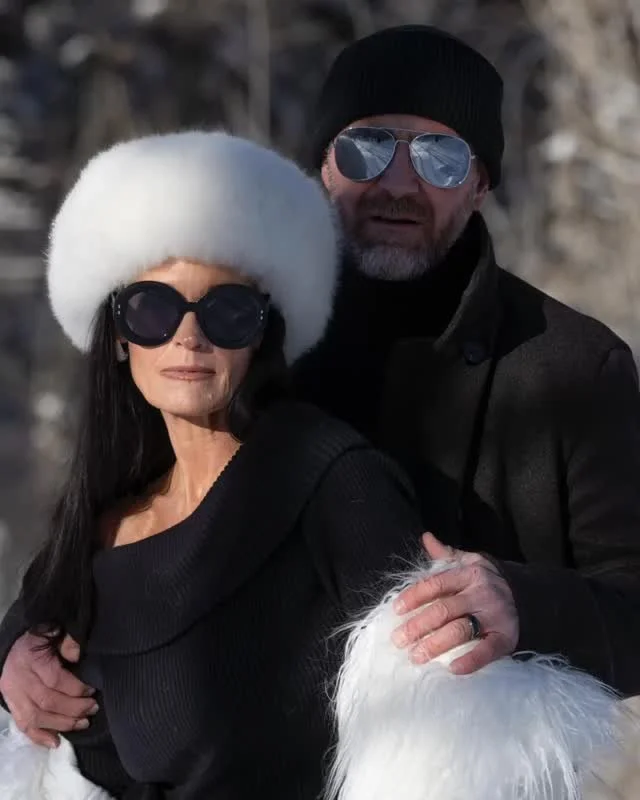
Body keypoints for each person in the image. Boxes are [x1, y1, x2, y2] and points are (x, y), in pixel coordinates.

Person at [2, 22, 640, 742]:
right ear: (324, 165)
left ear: (481, 184)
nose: (397, 184)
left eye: (439, 157)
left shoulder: (572, 365)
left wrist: (525, 604)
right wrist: (21, 642)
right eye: (367, 148)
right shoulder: (238, 324)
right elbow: (119, 497)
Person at [0, 130, 434, 797]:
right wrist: (11, 660)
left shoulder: (327, 478)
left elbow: (438, 709)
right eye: (153, 308)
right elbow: (26, 629)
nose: (189, 336)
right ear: (118, 336)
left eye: (228, 311)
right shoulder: (102, 522)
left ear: (261, 334)